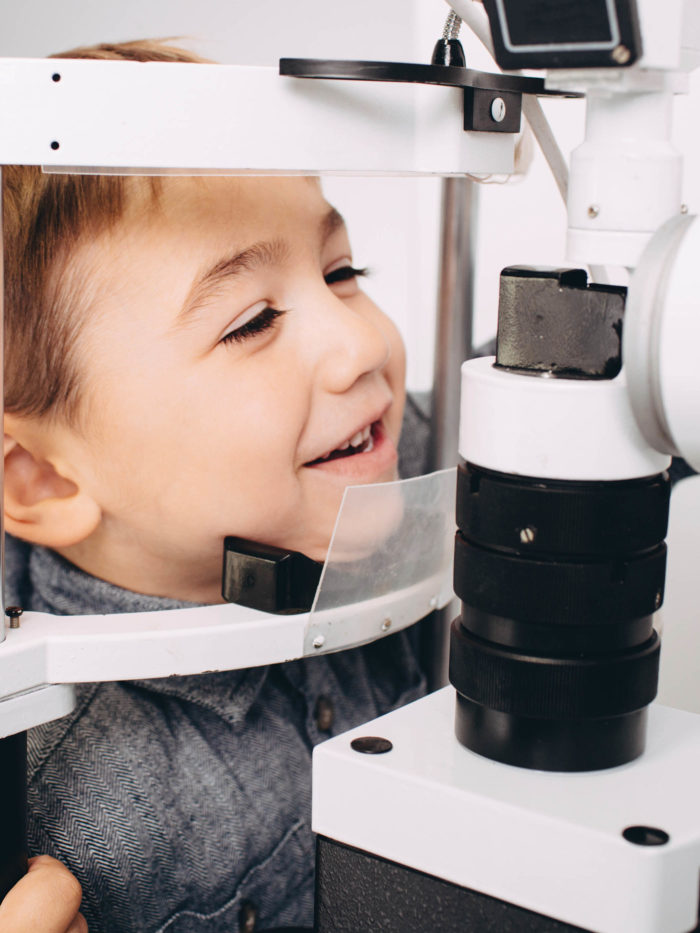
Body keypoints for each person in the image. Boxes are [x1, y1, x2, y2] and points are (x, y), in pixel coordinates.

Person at [0, 40, 431, 933]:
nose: (358, 345)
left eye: (341, 271)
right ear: (44, 478)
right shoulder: (71, 814)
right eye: (252, 322)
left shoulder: (374, 452)